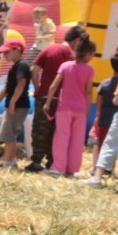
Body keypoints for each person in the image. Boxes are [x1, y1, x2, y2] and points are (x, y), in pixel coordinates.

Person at [28, 24, 84, 172]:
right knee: (57, 133)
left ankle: (36, 161)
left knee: (40, 130)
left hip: (45, 96)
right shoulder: (74, 57)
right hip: (63, 100)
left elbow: (35, 70)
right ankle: (53, 162)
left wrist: (37, 86)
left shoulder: (50, 49)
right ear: (77, 40)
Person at [49, 36, 97, 178]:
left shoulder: (65, 66)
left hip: (65, 107)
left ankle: (58, 167)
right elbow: (89, 92)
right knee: (77, 139)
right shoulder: (90, 70)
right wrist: (87, 109)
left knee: (61, 137)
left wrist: (48, 102)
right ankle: (72, 168)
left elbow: (54, 85)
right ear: (88, 54)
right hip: (81, 108)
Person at [86, 52, 118, 188]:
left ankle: (100, 169)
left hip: (105, 117)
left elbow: (99, 101)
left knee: (105, 144)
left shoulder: (105, 82)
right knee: (117, 145)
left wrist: (99, 114)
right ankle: (110, 169)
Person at [0, 32, 31, 167]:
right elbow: (7, 88)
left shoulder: (22, 65)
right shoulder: (15, 66)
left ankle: (8, 161)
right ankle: (10, 160)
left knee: (8, 134)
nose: (4, 55)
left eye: (7, 52)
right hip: (15, 104)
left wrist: (13, 102)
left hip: (18, 105)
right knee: (9, 133)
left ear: (17, 50)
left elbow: (21, 84)